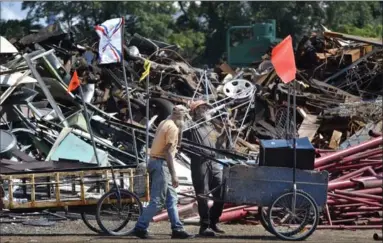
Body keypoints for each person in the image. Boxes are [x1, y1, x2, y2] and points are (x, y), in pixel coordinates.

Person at [133, 105, 194, 239]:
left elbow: (176, 145)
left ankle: (177, 229)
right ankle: (140, 227)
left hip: (155, 161)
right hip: (161, 164)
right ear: (179, 115)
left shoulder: (165, 122)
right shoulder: (172, 128)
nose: (185, 118)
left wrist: (181, 129)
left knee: (172, 199)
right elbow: (167, 152)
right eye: (184, 115)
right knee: (158, 201)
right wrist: (174, 175)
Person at [183, 100, 226, 237]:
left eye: (207, 108)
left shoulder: (211, 125)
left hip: (213, 162)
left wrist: (226, 131)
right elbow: (180, 133)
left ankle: (213, 220)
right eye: (202, 108)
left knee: (221, 191)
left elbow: (219, 144)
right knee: (203, 194)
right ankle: (204, 226)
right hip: (199, 162)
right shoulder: (191, 125)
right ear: (195, 111)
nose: (206, 110)